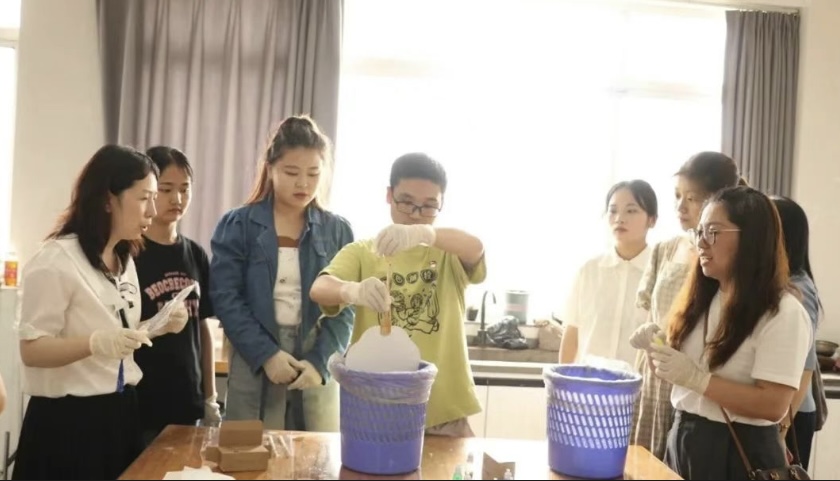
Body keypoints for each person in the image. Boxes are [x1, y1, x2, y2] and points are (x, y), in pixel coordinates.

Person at [13, 145, 188, 480]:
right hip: (69, 424)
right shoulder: (56, 261)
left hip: (120, 412)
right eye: (144, 198)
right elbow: (32, 350)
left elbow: (116, 333)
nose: (153, 211)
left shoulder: (124, 258)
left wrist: (157, 326)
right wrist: (94, 343)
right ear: (108, 199)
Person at [632, 186, 811, 480]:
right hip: (685, 434)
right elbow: (681, 376)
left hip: (739, 448)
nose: (701, 243)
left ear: (751, 238)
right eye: (699, 232)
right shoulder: (702, 298)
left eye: (713, 232)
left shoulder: (783, 312)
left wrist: (698, 379)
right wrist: (658, 351)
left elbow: (773, 405)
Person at [310, 152, 487, 437]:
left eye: (429, 206)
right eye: (406, 202)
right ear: (389, 195)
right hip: (378, 408)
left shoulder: (447, 253)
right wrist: (351, 290)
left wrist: (425, 234)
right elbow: (319, 289)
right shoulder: (363, 252)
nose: (416, 214)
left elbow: (475, 247)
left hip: (444, 410)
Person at [210, 115, 354, 431]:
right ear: (271, 168)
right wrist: (266, 354)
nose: (303, 184)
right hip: (253, 352)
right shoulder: (238, 225)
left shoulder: (337, 230)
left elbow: (346, 309)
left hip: (316, 352)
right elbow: (226, 297)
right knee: (250, 450)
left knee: (316, 453)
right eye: (291, 172)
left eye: (313, 173)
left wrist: (320, 363)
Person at [629, 151, 743, 459]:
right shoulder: (665, 250)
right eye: (677, 196)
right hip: (655, 376)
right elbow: (649, 313)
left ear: (718, 202)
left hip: (695, 378)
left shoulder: (727, 259)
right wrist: (649, 336)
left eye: (691, 198)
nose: (680, 206)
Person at [133, 146, 219, 446]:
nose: (177, 199)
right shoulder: (129, 253)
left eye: (184, 189)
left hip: (188, 401)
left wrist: (210, 396)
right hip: (141, 403)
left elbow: (202, 328)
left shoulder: (195, 254)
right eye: (166, 189)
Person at [560, 180, 657, 367]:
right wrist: (563, 378)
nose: (619, 218)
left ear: (652, 220)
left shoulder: (660, 274)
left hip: (638, 382)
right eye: (613, 211)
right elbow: (572, 332)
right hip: (588, 381)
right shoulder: (589, 270)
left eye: (631, 211)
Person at [771, 195, 822, 469]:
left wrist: (781, 431)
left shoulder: (799, 288)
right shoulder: (774, 281)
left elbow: (805, 368)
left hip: (792, 415)